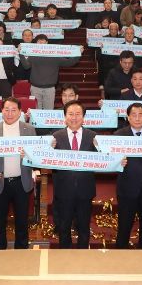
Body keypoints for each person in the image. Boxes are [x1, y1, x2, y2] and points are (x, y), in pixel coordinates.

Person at [0, 97, 36, 249]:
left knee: (22, 221)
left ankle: (21, 249)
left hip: (21, 181)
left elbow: (37, 156)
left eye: (13, 110)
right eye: (6, 110)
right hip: (0, 181)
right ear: (2, 111)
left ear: (20, 112)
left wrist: (29, 157)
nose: (10, 113)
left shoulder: (29, 129)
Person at [113, 103, 142, 249]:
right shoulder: (118, 135)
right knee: (124, 223)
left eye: (141, 115)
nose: (137, 118)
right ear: (128, 117)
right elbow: (110, 160)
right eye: (134, 115)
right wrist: (117, 161)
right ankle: (121, 250)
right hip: (127, 187)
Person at [52, 100, 97, 249]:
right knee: (64, 226)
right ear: (65, 117)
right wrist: (48, 149)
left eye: (78, 114)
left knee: (84, 227)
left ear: (83, 117)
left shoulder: (93, 137)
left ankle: (83, 255)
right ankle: (65, 255)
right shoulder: (55, 137)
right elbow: (45, 159)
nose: (74, 117)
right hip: (64, 190)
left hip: (85, 189)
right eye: (70, 114)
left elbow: (105, 159)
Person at [19, 35, 82, 110]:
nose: (41, 44)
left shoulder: (55, 55)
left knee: (49, 111)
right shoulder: (33, 55)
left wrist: (78, 53)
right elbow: (26, 66)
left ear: (47, 43)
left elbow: (69, 63)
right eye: (39, 42)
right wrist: (21, 53)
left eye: (43, 42)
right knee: (36, 111)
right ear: (36, 44)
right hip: (35, 88)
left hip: (50, 89)